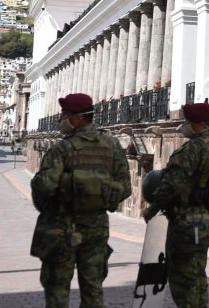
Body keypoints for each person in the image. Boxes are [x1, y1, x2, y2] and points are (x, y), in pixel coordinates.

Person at [30, 93, 132, 308]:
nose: (61, 119)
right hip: (97, 226)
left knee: (57, 287)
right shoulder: (112, 145)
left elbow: (44, 187)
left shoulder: (62, 148)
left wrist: (52, 208)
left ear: (78, 118)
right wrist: (101, 200)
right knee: (93, 288)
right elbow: (125, 187)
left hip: (62, 225)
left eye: (65, 114)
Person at [141, 102, 209, 308]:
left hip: (186, 222)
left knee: (182, 279)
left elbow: (172, 183)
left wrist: (152, 209)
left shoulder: (194, 148)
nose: (185, 126)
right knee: (197, 274)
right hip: (205, 220)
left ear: (197, 124)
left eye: (188, 122)